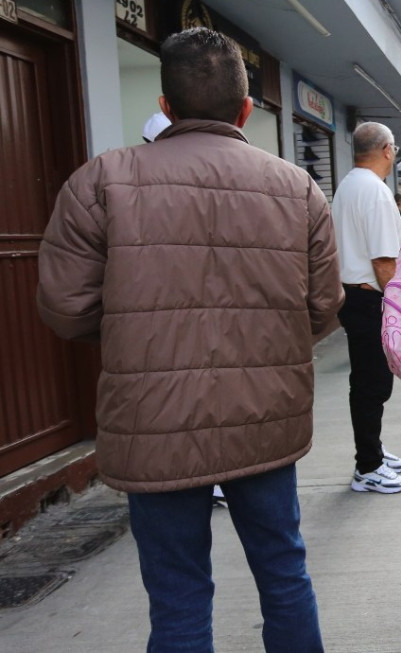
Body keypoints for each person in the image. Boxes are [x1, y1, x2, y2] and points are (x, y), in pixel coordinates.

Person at [36, 27, 342, 652]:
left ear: (165, 106)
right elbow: (323, 307)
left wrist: (137, 329)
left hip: (155, 424)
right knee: (284, 574)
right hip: (265, 413)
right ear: (246, 108)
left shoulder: (101, 182)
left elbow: (66, 309)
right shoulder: (297, 188)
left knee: (177, 597)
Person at [332, 121, 401, 494]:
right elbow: (384, 262)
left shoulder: (349, 185)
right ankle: (368, 466)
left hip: (355, 296)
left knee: (367, 383)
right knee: (372, 384)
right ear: (386, 150)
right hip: (371, 297)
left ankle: (373, 451)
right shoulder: (375, 192)